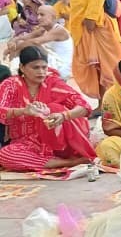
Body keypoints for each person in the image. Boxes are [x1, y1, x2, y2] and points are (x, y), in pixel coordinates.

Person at [0, 44, 95, 172]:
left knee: (54, 108)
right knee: (5, 155)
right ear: (22, 67)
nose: (41, 72)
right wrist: (23, 111)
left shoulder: (53, 83)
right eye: (35, 67)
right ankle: (68, 162)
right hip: (27, 143)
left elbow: (84, 106)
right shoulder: (11, 85)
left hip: (59, 141)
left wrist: (64, 116)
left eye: (44, 67)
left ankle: (57, 159)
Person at [6, 1, 73, 79]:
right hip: (51, 61)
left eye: (42, 15)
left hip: (61, 67)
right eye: (38, 14)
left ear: (53, 17)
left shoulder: (59, 30)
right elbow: (24, 37)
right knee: (22, 43)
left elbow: (35, 42)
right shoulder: (43, 29)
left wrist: (15, 50)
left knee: (33, 46)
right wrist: (13, 41)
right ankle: (14, 69)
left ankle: (14, 70)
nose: (38, 18)